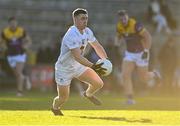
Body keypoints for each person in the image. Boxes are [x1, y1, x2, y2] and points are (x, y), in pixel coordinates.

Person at [51, 8, 108, 116]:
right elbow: (77, 56)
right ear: (75, 19)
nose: (85, 21)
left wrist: (106, 60)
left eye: (86, 18)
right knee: (63, 98)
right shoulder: (71, 35)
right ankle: (55, 107)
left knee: (98, 83)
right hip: (64, 69)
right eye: (82, 18)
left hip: (78, 66)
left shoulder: (87, 31)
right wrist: (93, 66)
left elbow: (97, 46)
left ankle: (88, 94)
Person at [115, 10, 161, 104]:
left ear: (127, 17)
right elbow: (119, 36)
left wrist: (146, 50)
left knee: (143, 78)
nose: (123, 20)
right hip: (130, 54)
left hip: (141, 53)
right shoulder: (119, 26)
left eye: (124, 18)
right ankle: (130, 99)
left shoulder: (135, 25)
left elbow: (148, 37)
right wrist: (117, 44)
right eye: (121, 19)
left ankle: (155, 74)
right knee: (125, 75)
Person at [0, 17, 32, 96]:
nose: (13, 24)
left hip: (20, 54)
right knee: (17, 74)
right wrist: (4, 48)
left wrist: (25, 47)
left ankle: (19, 92)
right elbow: (1, 42)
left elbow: (29, 40)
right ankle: (25, 78)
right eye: (12, 23)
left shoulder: (21, 31)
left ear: (16, 23)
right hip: (10, 55)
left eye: (14, 22)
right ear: (9, 24)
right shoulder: (5, 32)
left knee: (18, 72)